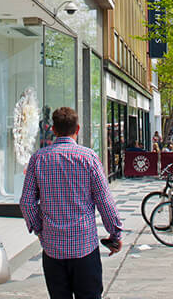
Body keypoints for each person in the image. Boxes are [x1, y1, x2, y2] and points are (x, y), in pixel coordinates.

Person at [22, 107, 122, 299]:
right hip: (84, 246)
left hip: (52, 248)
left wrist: (39, 229)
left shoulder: (38, 158)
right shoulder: (88, 158)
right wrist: (115, 233)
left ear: (53, 129)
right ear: (77, 129)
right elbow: (104, 200)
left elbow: (27, 202)